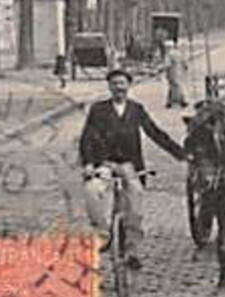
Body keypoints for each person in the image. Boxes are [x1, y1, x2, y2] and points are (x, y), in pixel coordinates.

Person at [77, 68, 185, 268]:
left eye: (122, 83)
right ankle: (104, 233)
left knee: (135, 207)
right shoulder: (98, 110)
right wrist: (89, 164)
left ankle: (132, 251)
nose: (119, 87)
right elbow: (86, 138)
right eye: (115, 83)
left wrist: (180, 154)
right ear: (109, 87)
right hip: (105, 163)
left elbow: (155, 133)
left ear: (128, 86)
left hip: (129, 165)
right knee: (93, 191)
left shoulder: (136, 109)